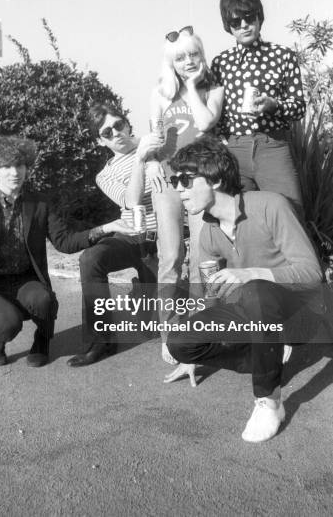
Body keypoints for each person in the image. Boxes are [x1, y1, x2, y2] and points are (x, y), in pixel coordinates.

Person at [163, 136, 323, 442]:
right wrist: (193, 345)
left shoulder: (270, 205)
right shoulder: (209, 232)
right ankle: (267, 356)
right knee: (180, 342)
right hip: (257, 312)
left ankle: (269, 402)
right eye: (174, 180)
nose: (178, 189)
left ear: (217, 178)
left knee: (256, 291)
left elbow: (312, 273)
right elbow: (212, 295)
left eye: (185, 179)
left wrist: (250, 273)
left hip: (303, 314)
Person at [0, 136, 136, 367]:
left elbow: (64, 241)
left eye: (20, 165)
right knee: (5, 324)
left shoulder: (39, 203)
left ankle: (42, 340)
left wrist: (107, 227)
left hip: (26, 280)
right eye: (7, 166)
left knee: (43, 299)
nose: (15, 172)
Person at [149, 26, 224, 362]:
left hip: (198, 182)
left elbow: (207, 123)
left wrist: (193, 86)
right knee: (170, 257)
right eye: (180, 57)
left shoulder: (213, 89)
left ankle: (199, 332)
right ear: (171, 62)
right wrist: (150, 162)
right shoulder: (160, 93)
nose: (189, 61)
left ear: (201, 55)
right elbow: (154, 137)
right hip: (166, 181)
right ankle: (169, 334)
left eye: (194, 54)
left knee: (201, 260)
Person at [67, 103, 162, 367]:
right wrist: (141, 160)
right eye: (107, 132)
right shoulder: (105, 175)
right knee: (91, 259)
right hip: (133, 236)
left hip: (168, 233)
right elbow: (130, 202)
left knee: (152, 328)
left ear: (128, 123)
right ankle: (101, 342)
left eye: (118, 125)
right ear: (100, 141)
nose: (116, 133)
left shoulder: (157, 144)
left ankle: (142, 295)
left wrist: (149, 151)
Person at [211, 0, 305, 217]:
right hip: (235, 149)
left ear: (259, 17)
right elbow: (216, 113)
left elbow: (299, 107)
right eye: (235, 22)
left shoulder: (282, 55)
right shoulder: (220, 63)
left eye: (248, 17)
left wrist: (274, 105)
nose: (243, 25)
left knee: (289, 214)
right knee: (242, 220)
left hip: (272, 145)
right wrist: (223, 144)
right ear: (228, 27)